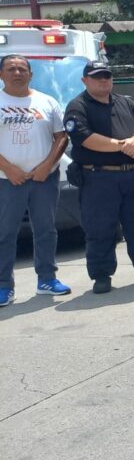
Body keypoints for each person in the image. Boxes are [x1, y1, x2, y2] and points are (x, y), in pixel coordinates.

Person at [63, 61, 134, 293]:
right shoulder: (77, 106)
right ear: (85, 80)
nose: (103, 80)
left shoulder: (125, 102)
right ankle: (102, 275)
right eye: (97, 76)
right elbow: (85, 138)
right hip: (99, 179)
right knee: (100, 229)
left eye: (107, 76)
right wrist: (124, 145)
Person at [0, 55, 70, 306]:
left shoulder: (46, 101)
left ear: (30, 74)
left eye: (22, 69)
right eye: (11, 69)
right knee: (5, 233)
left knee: (46, 230)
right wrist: (8, 169)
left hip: (44, 179)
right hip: (7, 180)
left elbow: (61, 137)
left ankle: (47, 279)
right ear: (1, 74)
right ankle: (4, 286)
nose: (17, 72)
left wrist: (47, 166)